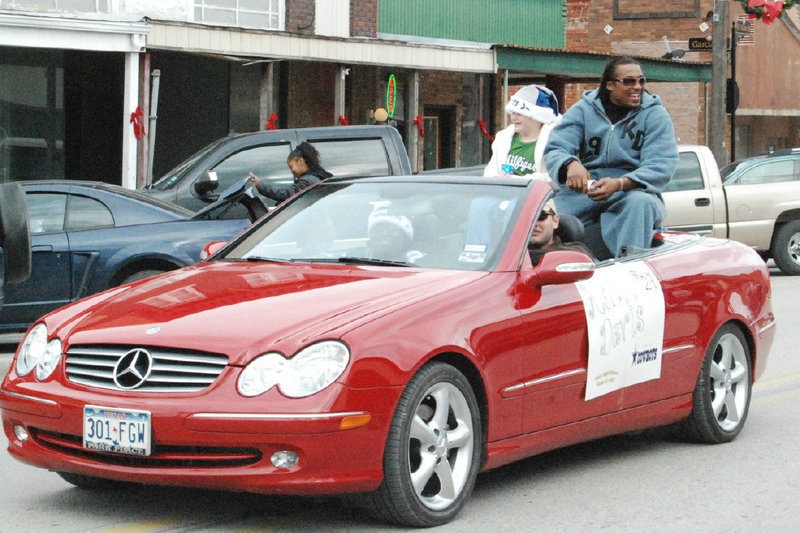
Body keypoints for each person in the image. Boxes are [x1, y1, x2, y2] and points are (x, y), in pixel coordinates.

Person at [543, 56, 679, 257]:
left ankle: (630, 270)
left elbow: (661, 165)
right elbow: (555, 147)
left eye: (641, 81)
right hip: (583, 196)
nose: (637, 87)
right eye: (629, 81)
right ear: (609, 85)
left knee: (641, 204)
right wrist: (570, 164)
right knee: (544, 217)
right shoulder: (583, 110)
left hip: (630, 194)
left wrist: (621, 183)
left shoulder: (655, 115)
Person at [484, 84, 561, 181]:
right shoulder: (503, 139)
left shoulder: (554, 142)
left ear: (538, 116)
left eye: (520, 113)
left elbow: (555, 177)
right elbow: (490, 171)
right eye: (512, 112)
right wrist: (497, 178)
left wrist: (515, 180)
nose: (513, 118)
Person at [249, 141, 332, 202]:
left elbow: (286, 194)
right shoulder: (316, 176)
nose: (291, 171)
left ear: (300, 161)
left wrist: (259, 184)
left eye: (291, 167)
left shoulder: (308, 181)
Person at [528, 199, 594, 265]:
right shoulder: (518, 253)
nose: (534, 223)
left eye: (540, 216)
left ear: (555, 221)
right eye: (528, 218)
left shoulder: (576, 252)